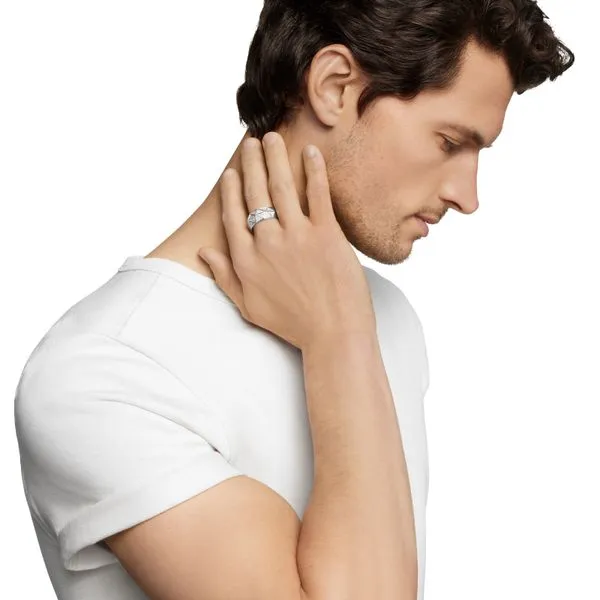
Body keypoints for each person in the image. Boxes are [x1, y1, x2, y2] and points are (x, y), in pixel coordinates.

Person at [14, 2, 574, 599]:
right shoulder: (102, 372)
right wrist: (337, 337)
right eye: (449, 142)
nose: (468, 196)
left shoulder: (388, 318)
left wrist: (345, 326)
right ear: (334, 86)